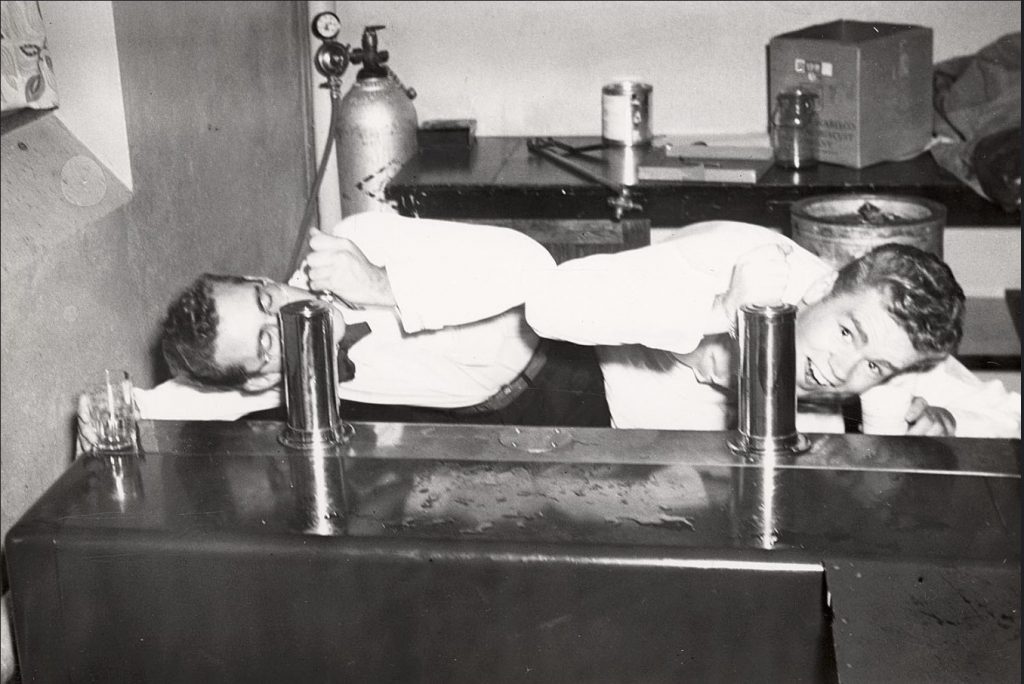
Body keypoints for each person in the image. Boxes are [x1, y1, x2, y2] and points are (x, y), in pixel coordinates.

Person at [523, 220, 1020, 438]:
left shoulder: (893, 345)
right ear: (824, 286)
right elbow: (548, 304)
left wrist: (950, 425)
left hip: (725, 484)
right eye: (847, 333)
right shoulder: (733, 258)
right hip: (596, 416)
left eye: (873, 366)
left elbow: (1008, 414)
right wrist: (717, 312)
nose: (838, 371)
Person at [117, 212, 607, 428]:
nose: (289, 314)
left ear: (260, 277)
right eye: (267, 344)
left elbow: (533, 269)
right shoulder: (291, 379)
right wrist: (121, 410)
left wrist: (381, 284)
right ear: (262, 377)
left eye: (266, 299)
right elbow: (200, 401)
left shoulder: (357, 241)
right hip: (501, 424)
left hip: (580, 360)